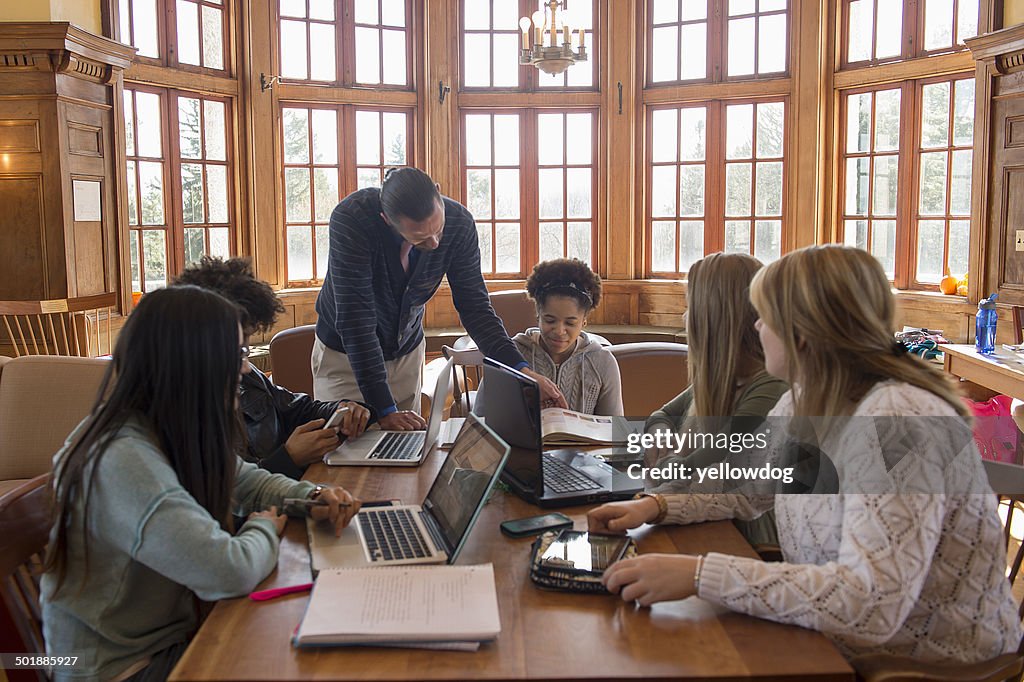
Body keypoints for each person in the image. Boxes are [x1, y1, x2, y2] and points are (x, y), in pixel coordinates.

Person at [588, 245, 1022, 663]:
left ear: (806, 331)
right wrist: (654, 506)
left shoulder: (900, 422)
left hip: (922, 666)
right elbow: (748, 492)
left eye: (766, 318)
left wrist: (699, 575)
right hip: (826, 636)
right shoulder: (803, 401)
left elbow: (872, 602)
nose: (756, 328)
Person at [41, 286, 361, 682]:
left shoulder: (165, 423)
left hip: (169, 639)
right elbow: (229, 572)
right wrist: (265, 524)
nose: (245, 369)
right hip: (121, 668)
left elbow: (247, 481)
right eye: (238, 355)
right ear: (195, 363)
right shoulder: (121, 459)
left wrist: (310, 496)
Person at [313, 167, 565, 431]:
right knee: (343, 448)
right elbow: (356, 320)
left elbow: (476, 308)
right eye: (420, 238)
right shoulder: (352, 219)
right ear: (387, 220)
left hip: (405, 353)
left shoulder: (459, 222)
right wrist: (385, 409)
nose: (434, 243)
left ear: (438, 192)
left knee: (401, 449)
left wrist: (522, 373)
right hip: (346, 356)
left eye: (439, 230)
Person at [173, 256, 373, 478]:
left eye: (245, 345)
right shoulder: (179, 413)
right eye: (238, 348)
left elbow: (296, 409)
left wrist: (342, 410)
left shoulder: (246, 377)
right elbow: (228, 496)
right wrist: (288, 459)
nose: (246, 366)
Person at [643, 253, 788, 546]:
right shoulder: (719, 378)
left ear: (713, 317)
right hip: (697, 521)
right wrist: (661, 434)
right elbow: (661, 415)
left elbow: (704, 463)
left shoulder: (770, 389)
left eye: (689, 307)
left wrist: (659, 466)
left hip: (744, 541)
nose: (685, 318)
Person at [506, 258, 622, 415]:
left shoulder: (602, 362)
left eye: (570, 323)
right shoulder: (511, 354)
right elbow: (481, 419)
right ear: (538, 315)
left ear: (584, 322)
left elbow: (614, 429)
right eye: (550, 320)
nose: (559, 331)